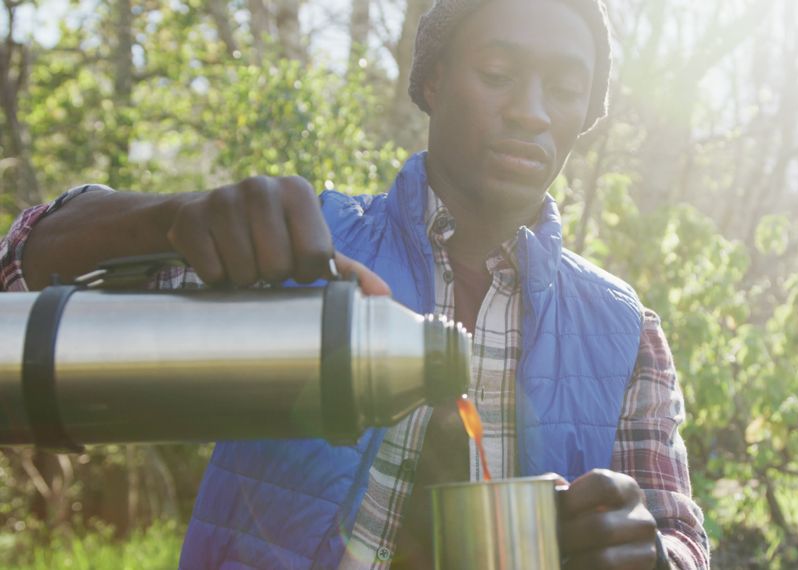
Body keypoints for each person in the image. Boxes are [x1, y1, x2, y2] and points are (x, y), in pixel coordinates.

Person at [0, 0, 709, 568]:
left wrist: (647, 550)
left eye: (563, 89)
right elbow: (17, 297)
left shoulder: (623, 329)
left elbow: (681, 540)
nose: (532, 110)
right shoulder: (300, 250)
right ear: (431, 81)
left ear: (585, 118)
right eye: (497, 73)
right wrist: (166, 218)